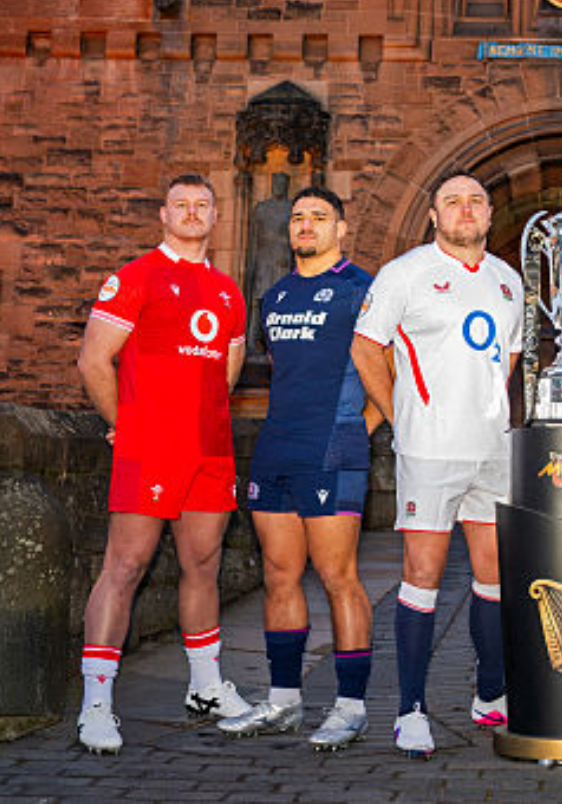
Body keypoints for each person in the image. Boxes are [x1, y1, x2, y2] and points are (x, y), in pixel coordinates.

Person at [75, 174, 252, 754]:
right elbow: (94, 360)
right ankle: (96, 704)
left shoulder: (228, 291)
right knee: (125, 566)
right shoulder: (135, 277)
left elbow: (227, 372)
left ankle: (204, 687)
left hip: (209, 448)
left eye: (202, 205)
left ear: (216, 216)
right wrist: (127, 425)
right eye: (182, 205)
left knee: (203, 562)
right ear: (163, 213)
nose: (192, 213)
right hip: (150, 446)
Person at [350, 174, 523, 759]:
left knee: (494, 572)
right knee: (422, 573)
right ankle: (411, 710)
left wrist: (487, 410)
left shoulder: (508, 281)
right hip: (429, 448)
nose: (465, 210)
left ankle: (490, 694)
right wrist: (403, 415)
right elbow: (365, 345)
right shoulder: (405, 273)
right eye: (453, 201)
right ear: (433, 215)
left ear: (490, 213)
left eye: (475, 201)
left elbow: (510, 356)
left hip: (493, 449)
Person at [218, 187, 378, 750]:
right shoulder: (276, 297)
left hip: (332, 448)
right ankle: (283, 701)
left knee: (339, 577)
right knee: (279, 577)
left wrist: (356, 432)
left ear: (341, 229)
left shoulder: (363, 290)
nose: (305, 225)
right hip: (277, 447)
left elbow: (389, 378)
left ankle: (350, 707)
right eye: (298, 218)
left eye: (319, 217)